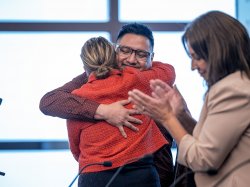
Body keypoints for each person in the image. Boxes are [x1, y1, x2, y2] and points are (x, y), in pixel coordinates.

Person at [39, 23, 179, 186]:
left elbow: (76, 145)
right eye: (125, 51)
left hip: (149, 174)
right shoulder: (89, 81)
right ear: (114, 51)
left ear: (151, 58)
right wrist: (103, 111)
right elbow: (49, 101)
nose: (132, 60)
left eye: (141, 54)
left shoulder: (152, 83)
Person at [128, 10, 250, 187]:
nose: (193, 67)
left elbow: (203, 159)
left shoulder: (233, 91)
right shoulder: (231, 86)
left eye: (197, 57)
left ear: (218, 52)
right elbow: (210, 142)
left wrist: (167, 117)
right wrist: (181, 115)